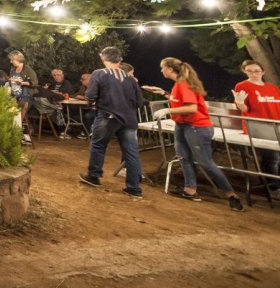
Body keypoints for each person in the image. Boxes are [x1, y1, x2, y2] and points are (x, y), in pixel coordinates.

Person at [145, 58, 244, 211]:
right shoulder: (178, 84)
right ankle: (190, 190)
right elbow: (180, 101)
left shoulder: (184, 84)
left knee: (206, 163)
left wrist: (167, 110)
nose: (161, 71)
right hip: (183, 126)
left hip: (196, 127)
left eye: (162, 68)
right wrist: (163, 93)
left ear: (170, 69)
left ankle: (232, 195)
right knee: (184, 157)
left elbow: (191, 108)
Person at [79, 46, 143, 198]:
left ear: (103, 58)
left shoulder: (99, 73)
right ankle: (134, 188)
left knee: (98, 145)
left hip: (108, 115)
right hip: (129, 119)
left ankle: (94, 176)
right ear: (120, 59)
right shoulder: (130, 78)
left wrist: (93, 104)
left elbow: (90, 95)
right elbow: (139, 102)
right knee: (131, 152)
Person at [233, 59, 280, 192]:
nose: (254, 74)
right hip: (259, 127)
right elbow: (244, 108)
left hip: (277, 126)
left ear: (263, 71)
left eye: (257, 71)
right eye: (250, 71)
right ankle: (273, 186)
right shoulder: (242, 86)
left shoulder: (273, 88)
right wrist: (239, 102)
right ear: (244, 71)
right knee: (272, 157)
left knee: (277, 157)